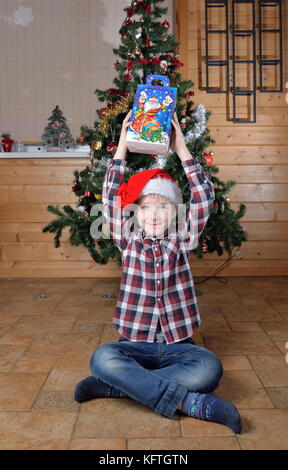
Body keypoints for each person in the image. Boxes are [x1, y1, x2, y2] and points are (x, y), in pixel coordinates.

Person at [74, 110, 242, 434]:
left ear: (175, 212)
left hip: (180, 344)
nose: (153, 215)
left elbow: (205, 198)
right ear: (136, 212)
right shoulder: (128, 240)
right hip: (134, 343)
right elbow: (110, 198)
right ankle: (193, 403)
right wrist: (122, 144)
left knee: (210, 368)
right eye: (146, 207)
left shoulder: (182, 239)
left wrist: (181, 149)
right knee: (103, 358)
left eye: (162, 207)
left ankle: (119, 388)